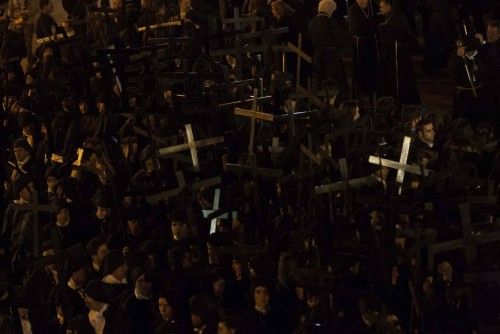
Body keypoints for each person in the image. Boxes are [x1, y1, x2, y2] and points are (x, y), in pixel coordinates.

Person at [377, 0, 420, 105]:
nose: (380, 9)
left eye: (382, 7)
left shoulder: (400, 19)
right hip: (388, 58)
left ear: (389, 7)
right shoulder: (382, 19)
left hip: (399, 57)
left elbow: (410, 37)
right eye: (380, 7)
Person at [307, 0, 348, 106]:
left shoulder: (312, 22)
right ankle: (335, 106)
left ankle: (320, 106)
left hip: (318, 56)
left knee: (320, 82)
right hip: (332, 56)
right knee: (334, 82)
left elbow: (309, 40)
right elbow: (341, 39)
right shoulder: (331, 22)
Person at [348, 0, 378, 99]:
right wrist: (369, 27)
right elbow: (355, 28)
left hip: (371, 44)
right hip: (360, 46)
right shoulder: (353, 9)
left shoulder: (372, 7)